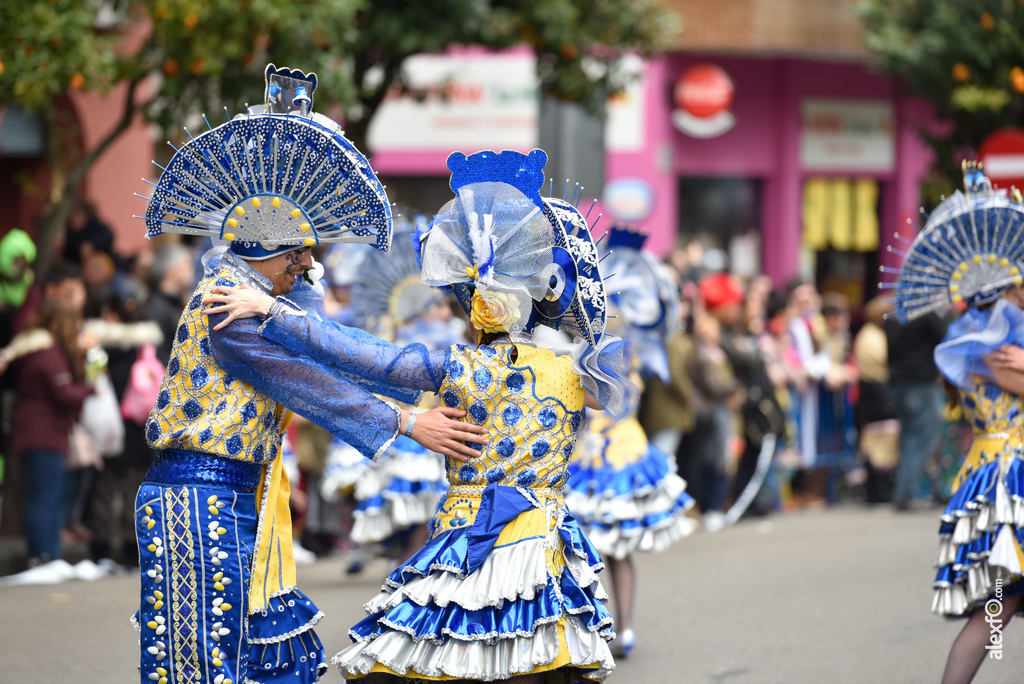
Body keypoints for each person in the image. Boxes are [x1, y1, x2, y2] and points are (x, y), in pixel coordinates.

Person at [206, 149, 635, 682]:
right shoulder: (580, 373)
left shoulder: (466, 369)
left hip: (467, 543)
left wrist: (273, 311)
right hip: (544, 552)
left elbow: (365, 356)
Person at [133, 65, 486, 684]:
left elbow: (334, 345)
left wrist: (441, 369)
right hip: (197, 496)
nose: (309, 264)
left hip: (246, 493)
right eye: (298, 251)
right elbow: (308, 382)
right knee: (204, 667)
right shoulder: (227, 304)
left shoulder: (264, 300)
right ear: (265, 251)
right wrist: (407, 420)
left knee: (258, 663)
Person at [892, 163, 1024, 684]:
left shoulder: (984, 343)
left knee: (1003, 602)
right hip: (1009, 474)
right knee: (1000, 603)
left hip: (993, 468)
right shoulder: (991, 349)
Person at [564, 227, 696, 657]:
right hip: (578, 455)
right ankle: (586, 630)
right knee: (574, 552)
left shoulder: (634, 351)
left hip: (619, 453)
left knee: (616, 547)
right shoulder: (574, 346)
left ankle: (624, 626)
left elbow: (624, 399)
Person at [10, 299, 94, 567]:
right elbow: (66, 395)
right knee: (45, 496)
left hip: (40, 433)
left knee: (47, 495)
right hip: (42, 435)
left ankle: (50, 553)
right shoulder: (49, 355)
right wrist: (90, 387)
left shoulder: (38, 351)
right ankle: (42, 556)